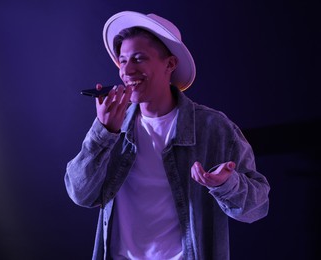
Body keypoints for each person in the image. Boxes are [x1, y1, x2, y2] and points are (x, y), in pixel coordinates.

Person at [64, 11, 270, 260]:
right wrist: (103, 132)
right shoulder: (112, 126)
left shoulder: (214, 128)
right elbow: (80, 194)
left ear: (170, 64)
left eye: (138, 59)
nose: (127, 70)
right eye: (122, 60)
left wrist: (226, 184)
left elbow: (257, 208)